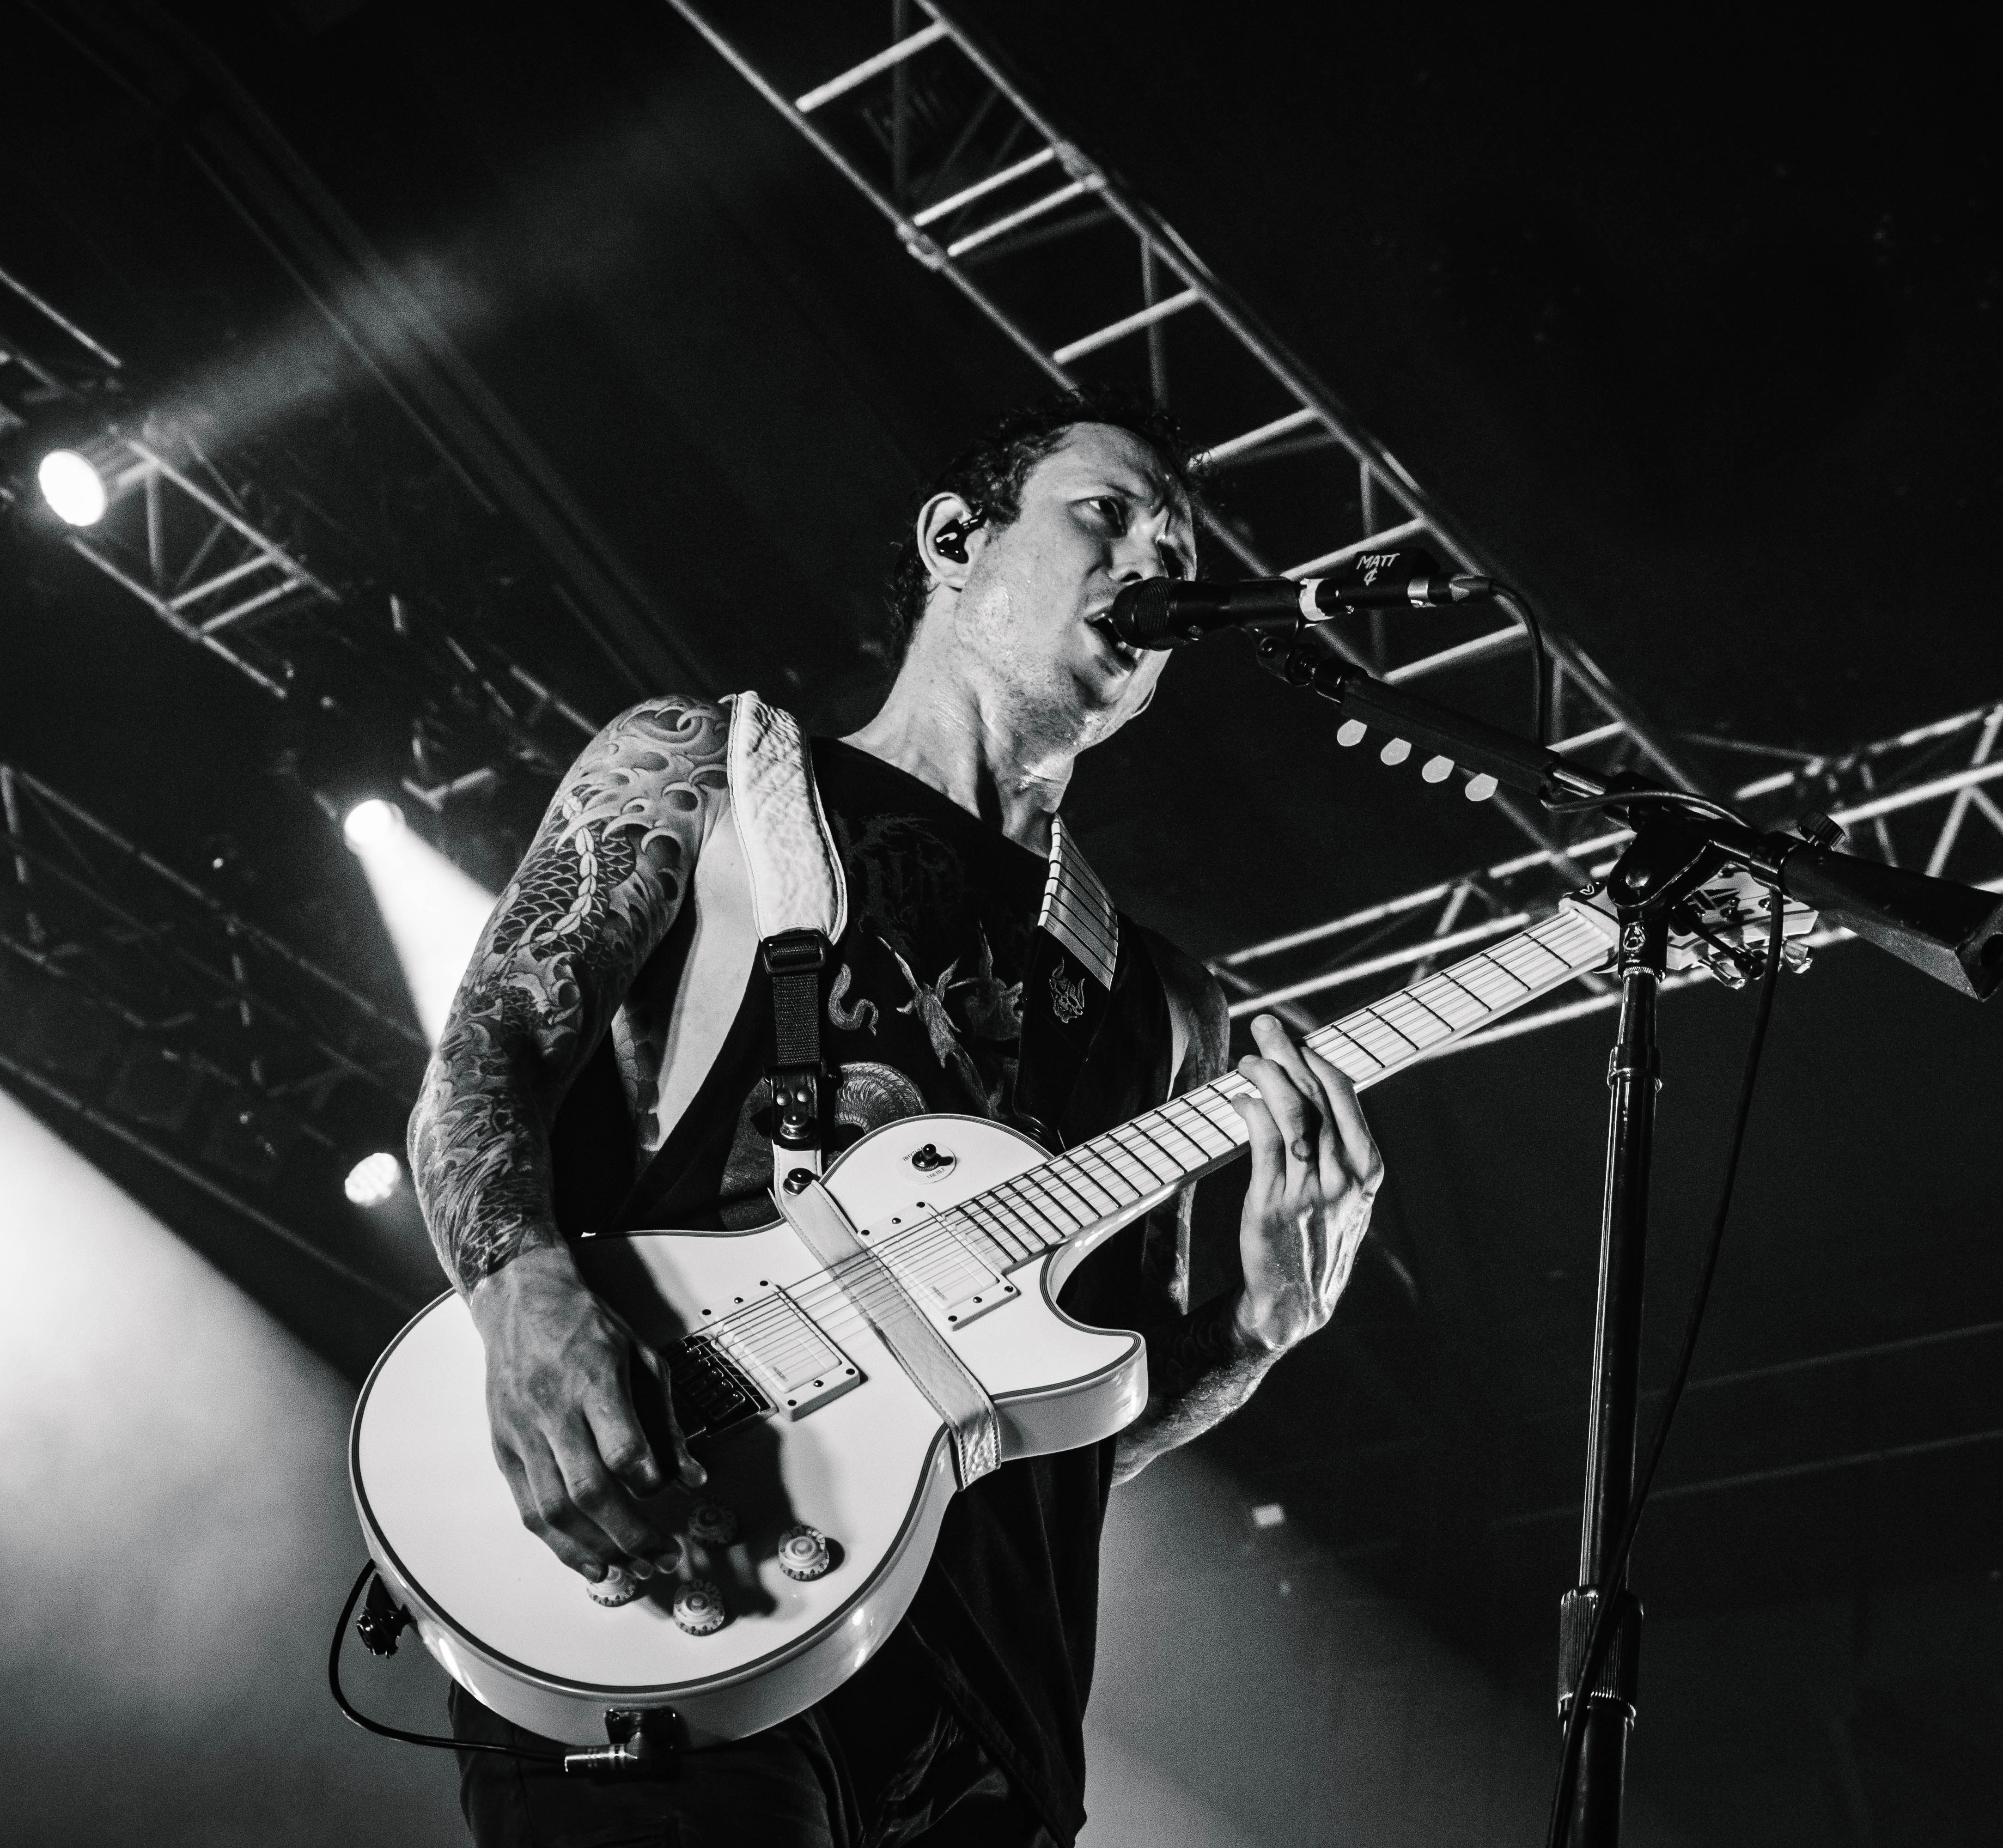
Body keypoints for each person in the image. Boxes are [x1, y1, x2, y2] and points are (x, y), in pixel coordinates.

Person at [408, 390, 1384, 1847]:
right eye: (1108, 516)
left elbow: (1070, 1431)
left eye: (1179, 552)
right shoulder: (717, 771)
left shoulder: (1169, 1008)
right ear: (954, 539)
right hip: (683, 1592)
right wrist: (525, 1299)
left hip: (991, 1720)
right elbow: (486, 1051)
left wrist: (1253, 1335)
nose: (1152, 565)